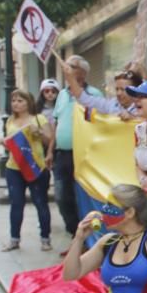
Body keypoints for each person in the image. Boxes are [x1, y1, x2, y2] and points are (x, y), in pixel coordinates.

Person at [53, 55, 103, 238]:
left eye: (71, 66)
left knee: (82, 195)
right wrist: (51, 149)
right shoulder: (62, 94)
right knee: (61, 195)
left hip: (84, 154)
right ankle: (74, 230)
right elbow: (56, 122)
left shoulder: (94, 94)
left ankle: (85, 235)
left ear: (83, 72)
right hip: (62, 154)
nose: (66, 68)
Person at [0, 90, 53, 252]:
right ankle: (14, 239)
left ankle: (45, 238)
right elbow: (11, 143)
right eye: (13, 100)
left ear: (28, 103)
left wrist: (40, 132)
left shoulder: (38, 119)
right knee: (16, 203)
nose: (16, 103)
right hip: (14, 168)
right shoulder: (10, 120)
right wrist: (3, 142)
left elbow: (49, 139)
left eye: (20, 100)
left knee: (40, 203)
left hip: (35, 167)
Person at [66, 67, 141, 117]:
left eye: (123, 90)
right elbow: (85, 99)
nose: (118, 93)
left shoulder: (143, 108)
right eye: (117, 89)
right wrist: (70, 78)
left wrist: (132, 118)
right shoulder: (111, 105)